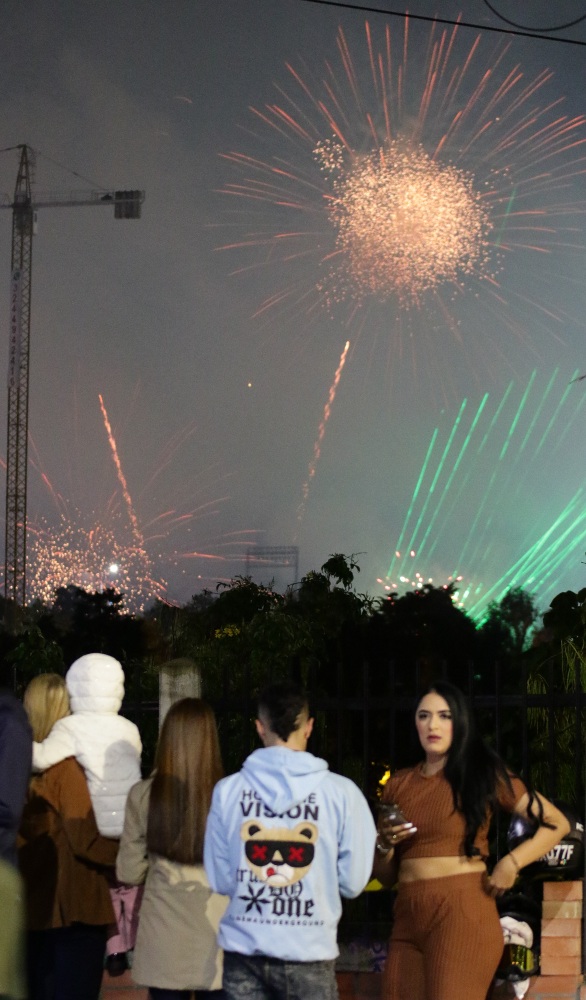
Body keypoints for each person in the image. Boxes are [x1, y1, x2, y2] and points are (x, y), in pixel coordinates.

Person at [374, 680, 571, 1000]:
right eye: (424, 715)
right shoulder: (398, 784)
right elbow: (386, 877)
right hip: (408, 916)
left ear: (460, 722)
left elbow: (557, 823)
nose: (432, 724)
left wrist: (512, 861)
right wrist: (383, 844)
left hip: (461, 915)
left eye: (444, 716)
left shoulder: (483, 773)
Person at [204, 680, 377, 1000]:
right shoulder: (342, 794)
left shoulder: (228, 792)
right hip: (309, 951)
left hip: (244, 950)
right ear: (309, 727)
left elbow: (220, 879)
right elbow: (353, 883)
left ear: (259, 727)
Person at [31, 652, 143, 973]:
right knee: (129, 890)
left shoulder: (68, 734)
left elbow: (42, 758)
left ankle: (117, 947)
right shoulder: (129, 729)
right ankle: (131, 941)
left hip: (92, 832)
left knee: (109, 892)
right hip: (127, 827)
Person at [117, 697, 227, 1000]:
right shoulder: (228, 797)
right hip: (215, 933)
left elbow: (128, 871)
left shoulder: (142, 795)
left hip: (163, 937)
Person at [18, 673, 118, 1000]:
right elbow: (84, 837)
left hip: (33, 907)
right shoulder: (67, 767)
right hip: (75, 910)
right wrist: (126, 855)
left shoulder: (18, 766)